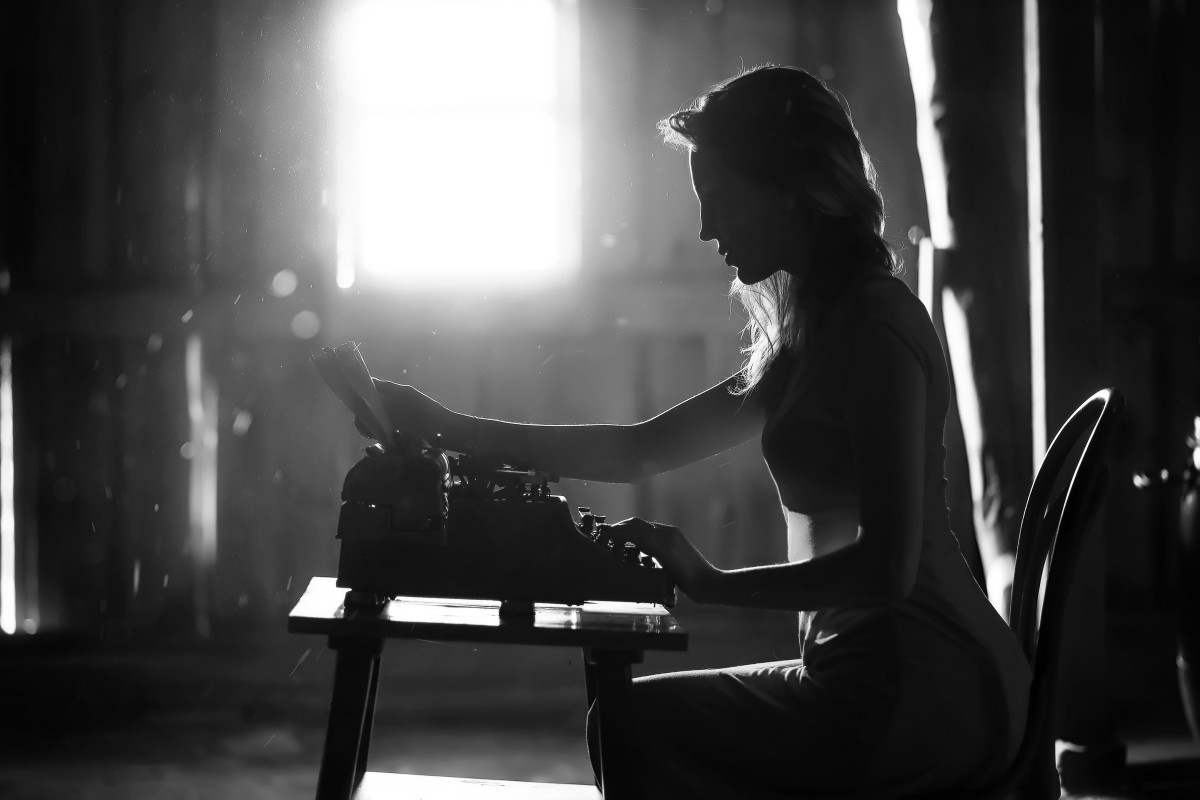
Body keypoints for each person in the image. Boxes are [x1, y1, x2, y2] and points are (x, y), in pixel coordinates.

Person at [366, 65, 1031, 799]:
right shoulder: (820, 330)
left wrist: (713, 584)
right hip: (873, 671)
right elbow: (642, 448)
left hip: (922, 688)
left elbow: (887, 570)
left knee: (629, 726)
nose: (707, 229)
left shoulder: (875, 330)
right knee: (625, 720)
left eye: (720, 201)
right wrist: (450, 427)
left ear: (789, 190)